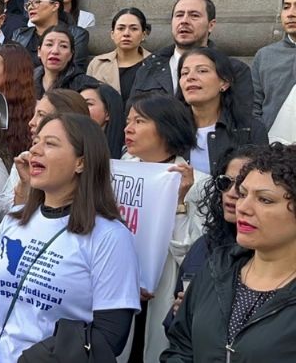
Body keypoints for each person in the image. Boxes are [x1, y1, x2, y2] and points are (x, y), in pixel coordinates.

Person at [0, 113, 140, 363]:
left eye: (50, 143)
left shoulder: (110, 236)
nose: (35, 150)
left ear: (81, 162)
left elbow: (111, 335)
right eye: (36, 141)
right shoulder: (13, 220)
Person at [162, 143, 296, 361]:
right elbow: (181, 346)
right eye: (243, 194)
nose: (243, 207)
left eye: (265, 199)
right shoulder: (217, 266)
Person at [121, 93, 208, 362]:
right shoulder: (121, 172)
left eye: (139, 121)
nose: (128, 129)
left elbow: (191, 255)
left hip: (164, 293)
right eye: (127, 121)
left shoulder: (200, 184)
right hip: (121, 288)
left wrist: (180, 202)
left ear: (167, 128)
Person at [163, 146, 255, 329]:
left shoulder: (272, 255)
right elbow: (174, 326)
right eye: (225, 182)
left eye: (242, 186)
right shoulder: (204, 245)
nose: (231, 193)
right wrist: (181, 314)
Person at [131, 0, 254, 112]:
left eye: (194, 15)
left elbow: (241, 118)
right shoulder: (149, 67)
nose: (184, 21)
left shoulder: (233, 70)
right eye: (179, 15)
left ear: (211, 25)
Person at [0, 89, 91, 216]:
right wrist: (24, 186)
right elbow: (5, 217)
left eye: (41, 115)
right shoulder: (25, 161)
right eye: (36, 142)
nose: (31, 122)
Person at [178, 47, 269, 175]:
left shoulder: (250, 129)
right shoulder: (168, 129)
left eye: (202, 71)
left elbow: (261, 178)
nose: (190, 77)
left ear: (224, 83)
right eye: (184, 73)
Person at [252, 0, 296, 136]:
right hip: (272, 145)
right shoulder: (264, 56)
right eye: (286, 7)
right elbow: (253, 107)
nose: (291, 13)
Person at [11, 0, 90, 69]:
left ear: (55, 6)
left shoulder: (77, 35)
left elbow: (74, 69)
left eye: (37, 1)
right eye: (28, 4)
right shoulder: (20, 35)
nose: (30, 7)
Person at [87, 7, 152, 104]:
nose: (126, 34)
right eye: (121, 28)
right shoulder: (97, 64)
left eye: (134, 29)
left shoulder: (155, 64)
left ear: (143, 35)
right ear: (112, 34)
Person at [32, 24, 99, 99]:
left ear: (71, 55)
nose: (55, 51)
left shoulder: (85, 85)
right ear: (39, 51)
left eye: (63, 46)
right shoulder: (27, 81)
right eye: (49, 44)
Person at [78, 82, 126, 159]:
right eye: (79, 104)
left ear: (108, 112)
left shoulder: (128, 153)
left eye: (89, 104)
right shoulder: (73, 148)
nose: (81, 108)